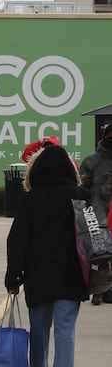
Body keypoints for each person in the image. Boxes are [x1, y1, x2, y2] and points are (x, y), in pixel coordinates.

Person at [6, 144, 89, 367]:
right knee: (65, 332)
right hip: (72, 276)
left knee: (39, 332)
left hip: (38, 277)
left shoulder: (32, 200)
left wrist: (13, 275)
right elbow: (94, 234)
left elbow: (17, 239)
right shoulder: (81, 197)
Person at [79, 123, 112, 305]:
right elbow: (82, 189)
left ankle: (107, 291)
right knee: (100, 256)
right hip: (97, 216)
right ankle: (99, 291)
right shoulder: (91, 161)